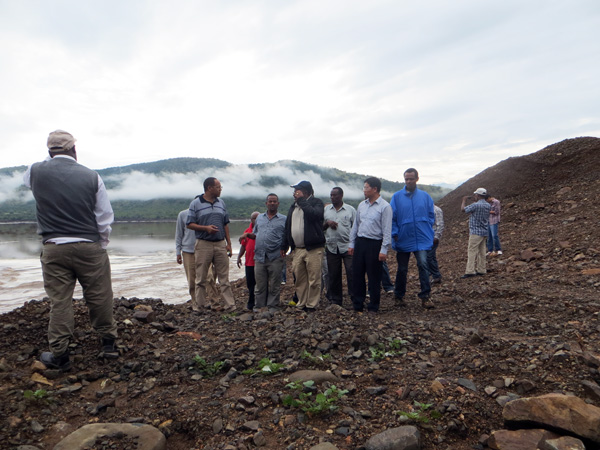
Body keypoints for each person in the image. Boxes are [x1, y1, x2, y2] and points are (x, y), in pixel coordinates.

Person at [23, 130, 118, 371]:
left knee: (60, 301)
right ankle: (108, 344)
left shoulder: (34, 171)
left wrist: (50, 159)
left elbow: (28, 179)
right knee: (100, 295)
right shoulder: (92, 176)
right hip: (89, 245)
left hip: (54, 246)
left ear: (49, 151)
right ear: (74, 149)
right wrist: (101, 244)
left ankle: (60, 355)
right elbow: (104, 216)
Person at [186, 177, 236, 311]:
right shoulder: (195, 204)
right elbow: (189, 224)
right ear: (209, 188)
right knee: (201, 278)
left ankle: (230, 305)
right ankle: (199, 306)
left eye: (220, 187)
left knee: (224, 277)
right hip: (203, 244)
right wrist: (206, 228)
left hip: (220, 243)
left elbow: (225, 224)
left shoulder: (221, 203)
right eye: (218, 187)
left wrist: (229, 244)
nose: (220, 190)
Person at [390, 168, 435, 309]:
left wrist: (427, 227)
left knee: (423, 265)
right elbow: (392, 217)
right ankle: (399, 296)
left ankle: (425, 297)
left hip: (421, 238)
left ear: (417, 179)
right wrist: (395, 232)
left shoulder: (425, 196)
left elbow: (431, 214)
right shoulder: (396, 197)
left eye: (411, 179)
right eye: (406, 179)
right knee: (402, 269)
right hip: (403, 238)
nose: (408, 181)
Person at [348, 177, 392, 313]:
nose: (364, 190)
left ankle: (373, 305)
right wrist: (351, 243)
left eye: (366, 187)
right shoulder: (362, 205)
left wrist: (384, 249)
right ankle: (358, 304)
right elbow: (356, 225)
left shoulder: (385, 207)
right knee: (357, 274)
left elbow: (387, 230)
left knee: (374, 276)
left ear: (374, 189)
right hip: (360, 242)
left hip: (375, 243)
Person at [281, 181, 326, 312]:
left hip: (314, 248)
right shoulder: (293, 207)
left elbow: (314, 215)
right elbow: (288, 227)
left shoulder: (317, 203)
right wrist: (284, 245)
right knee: (299, 278)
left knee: (314, 278)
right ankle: (302, 302)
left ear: (306, 192)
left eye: (297, 191)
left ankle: (311, 305)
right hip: (298, 248)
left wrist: (302, 201)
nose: (294, 193)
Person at [245, 194, 287, 311]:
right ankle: (259, 306)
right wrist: (247, 235)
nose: (272, 203)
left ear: (278, 204)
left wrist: (285, 248)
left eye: (274, 201)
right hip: (259, 256)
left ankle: (272, 306)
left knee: (274, 284)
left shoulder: (284, 219)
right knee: (260, 284)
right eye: (270, 201)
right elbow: (255, 234)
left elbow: (287, 236)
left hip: (275, 256)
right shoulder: (259, 218)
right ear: (266, 203)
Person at [323, 187, 356, 306]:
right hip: (331, 246)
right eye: (331, 195)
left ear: (341, 196)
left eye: (335, 195)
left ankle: (355, 299)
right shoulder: (326, 210)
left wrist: (354, 244)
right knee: (333, 274)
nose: (332, 197)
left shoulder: (350, 210)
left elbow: (356, 227)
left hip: (347, 246)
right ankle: (336, 300)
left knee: (352, 273)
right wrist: (327, 223)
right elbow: (320, 227)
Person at [461, 188, 491, 278]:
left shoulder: (475, 205)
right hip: (484, 231)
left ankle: (470, 271)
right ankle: (482, 269)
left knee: (472, 251)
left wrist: (464, 200)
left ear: (477, 195)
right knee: (482, 251)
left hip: (475, 231)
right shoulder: (488, 205)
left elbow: (463, 210)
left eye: (475, 195)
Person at [238, 211, 260, 310]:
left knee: (260, 284)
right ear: (251, 220)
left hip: (260, 262)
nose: (256, 220)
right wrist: (239, 257)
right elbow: (243, 246)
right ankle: (251, 303)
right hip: (249, 262)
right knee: (250, 284)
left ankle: (261, 302)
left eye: (258, 218)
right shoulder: (247, 231)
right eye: (254, 218)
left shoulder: (262, 230)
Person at [427, 205, 445, 284]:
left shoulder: (436, 210)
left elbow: (440, 224)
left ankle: (435, 275)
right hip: (427, 236)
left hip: (433, 237)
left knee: (429, 257)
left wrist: (437, 236)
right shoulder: (426, 209)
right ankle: (434, 275)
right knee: (431, 257)